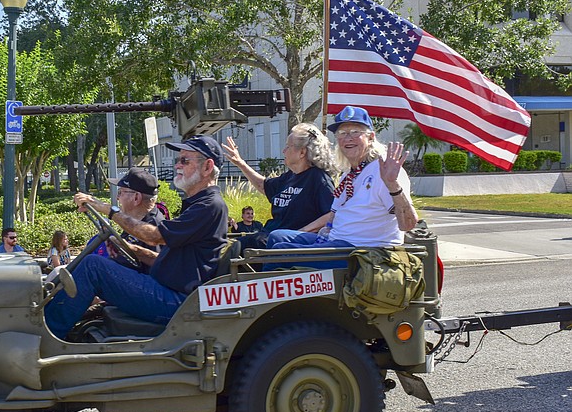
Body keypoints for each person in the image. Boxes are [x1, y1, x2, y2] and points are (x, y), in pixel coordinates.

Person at [44, 134, 228, 340]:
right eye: (178, 160)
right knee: (92, 265)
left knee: (93, 267)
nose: (178, 165)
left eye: (185, 160)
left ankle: (46, 336)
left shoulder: (210, 205)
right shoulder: (198, 204)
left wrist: (108, 210)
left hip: (176, 301)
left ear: (207, 167)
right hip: (169, 292)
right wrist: (133, 249)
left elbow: (154, 236)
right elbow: (176, 261)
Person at [265, 106, 419, 268]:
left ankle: (259, 291)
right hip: (337, 243)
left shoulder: (384, 170)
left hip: (364, 253)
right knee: (277, 237)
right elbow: (334, 213)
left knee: (281, 252)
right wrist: (316, 234)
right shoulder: (349, 175)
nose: (348, 138)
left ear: (371, 137)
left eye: (355, 132)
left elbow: (407, 225)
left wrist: (393, 184)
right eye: (342, 133)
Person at [222, 123, 337, 250]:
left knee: (247, 244)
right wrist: (241, 163)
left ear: (302, 152)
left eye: (288, 146)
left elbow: (331, 214)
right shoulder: (289, 177)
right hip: (268, 236)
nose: (284, 151)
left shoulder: (318, 178)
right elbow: (263, 185)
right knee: (232, 244)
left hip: (284, 243)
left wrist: (300, 232)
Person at [106, 168, 165, 272]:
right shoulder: (136, 220)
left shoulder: (153, 227)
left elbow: (156, 271)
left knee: (92, 263)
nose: (117, 198)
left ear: (136, 198)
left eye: (121, 192)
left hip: (136, 284)